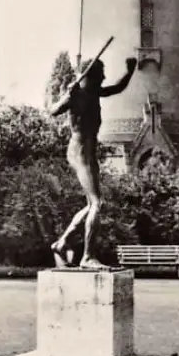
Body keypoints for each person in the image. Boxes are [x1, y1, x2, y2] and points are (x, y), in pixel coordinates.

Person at [50, 48, 137, 268]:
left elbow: (117, 88)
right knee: (97, 203)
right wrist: (66, 95)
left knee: (92, 204)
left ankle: (62, 243)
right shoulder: (76, 95)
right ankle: (87, 257)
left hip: (88, 153)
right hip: (79, 152)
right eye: (101, 74)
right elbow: (53, 110)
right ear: (91, 76)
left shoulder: (94, 93)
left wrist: (129, 72)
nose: (104, 78)